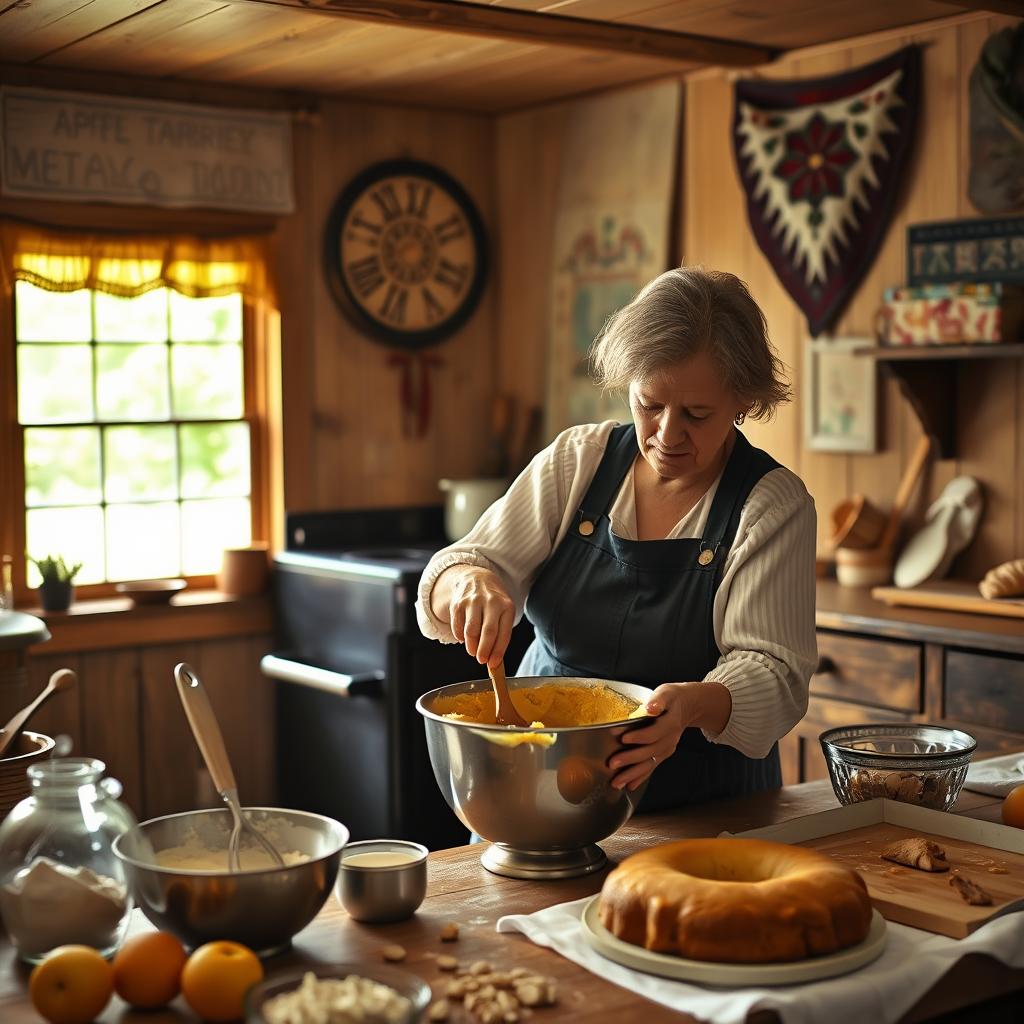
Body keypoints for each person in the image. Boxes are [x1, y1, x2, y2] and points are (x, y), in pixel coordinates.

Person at [416, 266, 816, 812]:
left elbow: (775, 675)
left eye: (697, 414)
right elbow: (467, 563)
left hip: (700, 803)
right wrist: (469, 585)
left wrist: (694, 705)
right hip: (537, 782)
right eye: (649, 404)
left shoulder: (771, 506)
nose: (668, 434)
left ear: (743, 401)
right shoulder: (577, 461)